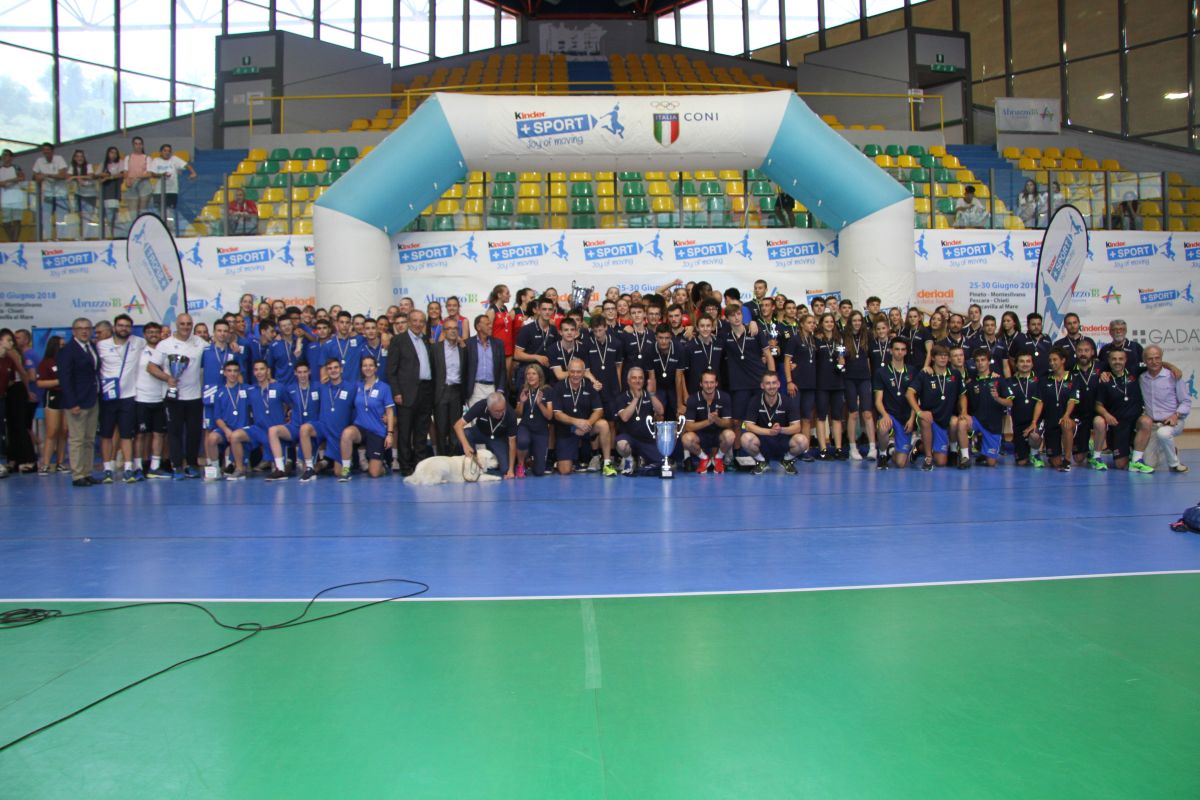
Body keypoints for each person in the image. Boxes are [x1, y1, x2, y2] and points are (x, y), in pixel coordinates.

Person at [147, 313, 207, 479]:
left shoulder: (199, 342)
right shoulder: (165, 345)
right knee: (174, 433)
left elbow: (215, 350)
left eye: (189, 324)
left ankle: (192, 464)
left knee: (194, 433)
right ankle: (177, 466)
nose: (186, 327)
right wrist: (168, 378)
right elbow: (151, 367)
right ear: (176, 325)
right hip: (174, 397)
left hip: (195, 396)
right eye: (182, 324)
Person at [97, 314, 146, 483]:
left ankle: (127, 468)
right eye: (120, 325)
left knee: (127, 435)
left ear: (131, 328)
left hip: (128, 396)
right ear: (114, 327)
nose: (123, 328)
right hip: (108, 396)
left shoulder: (138, 342)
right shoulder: (102, 345)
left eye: (127, 326)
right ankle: (107, 469)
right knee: (106, 434)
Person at [386, 308, 433, 476]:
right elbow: (391, 370)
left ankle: (420, 465)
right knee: (405, 431)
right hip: (406, 392)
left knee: (421, 430)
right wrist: (396, 392)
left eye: (421, 321)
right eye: (415, 320)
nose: (418, 324)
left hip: (426, 391)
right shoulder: (398, 340)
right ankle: (405, 466)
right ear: (408, 321)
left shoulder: (427, 340)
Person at [906, 344, 966, 471]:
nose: (943, 358)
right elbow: (909, 393)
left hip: (944, 420)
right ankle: (928, 458)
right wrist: (919, 412)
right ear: (933, 358)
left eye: (945, 356)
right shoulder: (925, 374)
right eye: (940, 356)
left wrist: (964, 411)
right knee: (925, 418)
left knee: (941, 462)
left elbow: (962, 395)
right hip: (929, 417)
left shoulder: (954, 374)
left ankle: (920, 446)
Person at [56, 318, 101, 486]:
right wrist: (72, 402)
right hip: (77, 401)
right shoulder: (67, 351)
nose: (84, 331)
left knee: (89, 439)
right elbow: (65, 379)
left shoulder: (92, 348)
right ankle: (77, 475)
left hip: (92, 398)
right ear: (73, 331)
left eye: (87, 328)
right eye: (80, 328)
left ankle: (87, 472)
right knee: (77, 439)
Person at [551, 357, 614, 476]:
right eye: (572, 371)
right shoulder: (559, 387)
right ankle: (569, 459)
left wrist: (588, 423)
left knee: (603, 424)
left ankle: (607, 463)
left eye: (579, 372)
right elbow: (557, 415)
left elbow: (599, 410)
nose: (575, 375)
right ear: (568, 371)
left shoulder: (590, 386)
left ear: (584, 372)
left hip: (586, 428)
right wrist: (576, 422)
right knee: (565, 471)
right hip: (567, 430)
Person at [1094, 349, 1155, 473]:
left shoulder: (1134, 371)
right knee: (1120, 465)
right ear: (1109, 361)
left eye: (1120, 359)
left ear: (1125, 360)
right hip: (1118, 424)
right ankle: (1127, 452)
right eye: (1114, 359)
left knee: (1146, 421)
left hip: (1135, 421)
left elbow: (1155, 363)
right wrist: (1107, 415)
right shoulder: (1105, 380)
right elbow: (1098, 405)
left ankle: (1137, 461)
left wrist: (1173, 368)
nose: (1117, 362)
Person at [739, 372, 809, 474]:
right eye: (768, 383)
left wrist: (781, 430)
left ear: (779, 384)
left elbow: (797, 427)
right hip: (762, 442)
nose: (771, 386)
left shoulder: (788, 401)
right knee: (745, 438)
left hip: (782, 441)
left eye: (774, 383)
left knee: (803, 441)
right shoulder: (755, 401)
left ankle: (786, 460)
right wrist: (769, 432)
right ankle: (761, 461)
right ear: (762, 385)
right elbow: (749, 426)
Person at [338, 355, 394, 480]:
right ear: (361, 368)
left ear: (375, 368)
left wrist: (390, 434)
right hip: (360, 428)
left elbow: (389, 412)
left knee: (374, 473)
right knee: (347, 433)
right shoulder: (357, 386)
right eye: (365, 365)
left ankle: (382, 464)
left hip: (377, 430)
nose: (367, 368)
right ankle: (346, 469)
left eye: (370, 365)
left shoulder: (384, 387)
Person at [1139, 345, 1190, 473]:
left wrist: (1176, 415)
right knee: (1150, 463)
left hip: (1173, 421)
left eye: (1157, 358)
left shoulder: (1173, 376)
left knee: (1164, 434)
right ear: (1144, 361)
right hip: (1153, 425)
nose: (1154, 362)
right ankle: (1172, 449)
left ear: (1162, 359)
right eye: (1150, 359)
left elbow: (1185, 402)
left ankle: (1175, 464)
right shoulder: (1142, 378)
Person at [722, 301, 772, 430]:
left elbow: (768, 355)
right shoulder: (724, 336)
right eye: (732, 315)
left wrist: (772, 378)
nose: (736, 317)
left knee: (763, 418)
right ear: (727, 319)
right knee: (737, 420)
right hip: (739, 385)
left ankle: (763, 448)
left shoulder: (755, 331)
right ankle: (738, 450)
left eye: (738, 314)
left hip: (758, 381)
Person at [1030, 348, 1078, 472]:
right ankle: (1054, 454)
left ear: (1063, 360)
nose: (1052, 363)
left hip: (1067, 419)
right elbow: (1040, 402)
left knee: (1066, 424)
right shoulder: (1045, 379)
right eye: (1050, 360)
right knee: (1055, 463)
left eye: (1055, 359)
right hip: (1050, 422)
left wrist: (1067, 415)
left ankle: (1067, 460)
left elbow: (1072, 400)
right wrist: (1034, 421)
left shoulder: (1073, 378)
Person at [611, 366, 665, 475]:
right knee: (621, 444)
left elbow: (660, 411)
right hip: (629, 438)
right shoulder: (622, 398)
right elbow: (624, 417)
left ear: (644, 380)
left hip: (647, 440)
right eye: (634, 378)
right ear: (628, 380)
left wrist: (652, 394)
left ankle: (642, 461)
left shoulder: (649, 395)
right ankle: (629, 459)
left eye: (640, 378)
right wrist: (636, 398)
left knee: (663, 463)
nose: (637, 381)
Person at [680, 368, 735, 472]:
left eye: (712, 382)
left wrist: (717, 420)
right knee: (686, 439)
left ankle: (718, 458)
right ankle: (704, 459)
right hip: (700, 436)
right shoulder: (692, 399)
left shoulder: (724, 397)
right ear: (701, 384)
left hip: (718, 435)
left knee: (730, 435)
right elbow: (688, 426)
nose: (709, 386)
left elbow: (728, 423)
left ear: (716, 383)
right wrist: (708, 421)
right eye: (706, 382)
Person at [134, 322, 169, 479]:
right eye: (150, 332)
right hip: (141, 398)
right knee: (141, 435)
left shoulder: (165, 351)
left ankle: (155, 466)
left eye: (156, 331)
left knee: (159, 433)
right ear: (144, 334)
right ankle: (137, 466)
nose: (153, 334)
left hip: (160, 398)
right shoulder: (138, 351)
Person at [454, 391, 517, 479]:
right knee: (466, 434)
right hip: (479, 432)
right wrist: (465, 445)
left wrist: (511, 470)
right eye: (497, 411)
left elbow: (512, 443)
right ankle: (472, 462)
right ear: (489, 407)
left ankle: (502, 464)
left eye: (502, 410)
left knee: (505, 470)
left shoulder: (511, 414)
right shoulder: (481, 405)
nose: (500, 413)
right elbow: (458, 425)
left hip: (498, 438)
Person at [873, 337, 914, 470]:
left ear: (906, 352)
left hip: (905, 418)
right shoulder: (881, 372)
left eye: (902, 350)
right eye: (896, 349)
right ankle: (883, 454)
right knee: (883, 426)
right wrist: (884, 415)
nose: (899, 352)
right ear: (891, 350)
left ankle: (891, 450)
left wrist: (912, 419)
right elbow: (878, 400)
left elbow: (915, 399)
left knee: (901, 464)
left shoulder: (912, 371)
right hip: (889, 414)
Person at [203, 362, 249, 480]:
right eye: (229, 371)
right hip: (226, 428)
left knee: (235, 436)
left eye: (235, 371)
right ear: (224, 373)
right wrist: (226, 430)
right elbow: (217, 418)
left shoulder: (247, 389)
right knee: (212, 438)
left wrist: (271, 380)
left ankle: (238, 468)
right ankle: (215, 469)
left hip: (242, 429)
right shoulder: (219, 393)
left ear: (239, 373)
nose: (232, 374)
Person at [841, 310, 876, 461]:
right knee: (853, 413)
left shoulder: (867, 336)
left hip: (864, 378)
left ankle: (873, 447)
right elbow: (840, 358)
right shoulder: (843, 336)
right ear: (850, 322)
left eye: (859, 320)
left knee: (867, 413)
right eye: (854, 320)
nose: (857, 323)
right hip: (849, 378)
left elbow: (870, 358)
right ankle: (852, 447)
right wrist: (840, 366)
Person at [1070, 340, 1109, 471]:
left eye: (1086, 350)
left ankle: (1097, 456)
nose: (1083, 354)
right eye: (1080, 350)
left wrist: (1108, 374)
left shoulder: (1103, 367)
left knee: (1099, 422)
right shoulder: (1069, 368)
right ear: (1076, 352)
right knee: (1078, 459)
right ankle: (1089, 446)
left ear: (1092, 352)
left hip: (1096, 411)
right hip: (1078, 414)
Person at [814, 313, 845, 459]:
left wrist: (842, 362)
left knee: (837, 417)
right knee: (821, 416)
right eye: (826, 321)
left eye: (831, 321)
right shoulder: (816, 340)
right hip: (821, 383)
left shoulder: (839, 340)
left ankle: (838, 448)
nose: (829, 324)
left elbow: (843, 362)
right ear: (821, 323)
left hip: (837, 382)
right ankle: (823, 449)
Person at [431, 318, 464, 455]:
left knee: (455, 428)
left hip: (456, 392)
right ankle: (441, 459)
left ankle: (453, 460)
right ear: (444, 332)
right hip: (441, 391)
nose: (452, 331)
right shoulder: (435, 349)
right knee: (441, 428)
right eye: (449, 328)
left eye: (455, 328)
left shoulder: (463, 349)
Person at [34, 335, 67, 474]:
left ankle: (60, 462)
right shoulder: (46, 363)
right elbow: (40, 383)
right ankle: (46, 463)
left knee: (64, 431)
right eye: (61, 345)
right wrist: (58, 382)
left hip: (67, 397)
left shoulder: (66, 360)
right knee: (52, 431)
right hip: (53, 396)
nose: (63, 348)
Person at [149, 143, 196, 234]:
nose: (167, 153)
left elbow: (187, 165)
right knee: (160, 213)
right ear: (161, 152)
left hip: (172, 191)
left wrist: (193, 172)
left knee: (169, 213)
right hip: (159, 191)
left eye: (169, 151)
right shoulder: (156, 161)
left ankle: (171, 232)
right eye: (165, 151)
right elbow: (152, 174)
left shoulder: (174, 160)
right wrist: (161, 175)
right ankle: (161, 232)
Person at [515, 364, 553, 477]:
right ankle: (521, 465)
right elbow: (518, 414)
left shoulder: (547, 390)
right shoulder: (523, 390)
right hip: (525, 426)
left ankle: (530, 459)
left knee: (539, 472)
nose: (530, 376)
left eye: (533, 374)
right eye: (528, 374)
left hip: (541, 430)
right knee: (522, 441)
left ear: (539, 376)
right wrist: (521, 402)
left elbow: (549, 416)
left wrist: (540, 403)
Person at [463, 313, 506, 407]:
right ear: (478, 327)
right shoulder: (468, 344)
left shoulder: (498, 344)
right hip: (475, 388)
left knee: (492, 418)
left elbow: (502, 368)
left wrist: (500, 389)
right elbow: (464, 369)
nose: (491, 326)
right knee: (475, 420)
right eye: (487, 324)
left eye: (490, 323)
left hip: (493, 388)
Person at [32, 142, 68, 239]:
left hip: (61, 193)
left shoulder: (59, 159)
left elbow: (63, 175)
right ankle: (47, 238)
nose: (46, 151)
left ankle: (61, 238)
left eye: (48, 149)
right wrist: (39, 177)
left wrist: (46, 175)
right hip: (47, 194)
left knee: (61, 217)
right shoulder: (39, 161)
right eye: (44, 150)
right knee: (46, 217)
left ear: (52, 151)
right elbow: (34, 175)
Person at [66, 149, 98, 237]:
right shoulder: (72, 167)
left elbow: (91, 176)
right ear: (74, 158)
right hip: (79, 194)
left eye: (81, 156)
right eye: (77, 156)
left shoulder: (88, 166)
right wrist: (76, 178)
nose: (79, 158)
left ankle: (84, 236)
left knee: (86, 217)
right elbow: (68, 177)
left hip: (90, 194)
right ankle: (83, 235)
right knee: (80, 216)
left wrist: (76, 177)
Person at [122, 136, 153, 217]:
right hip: (132, 184)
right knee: (133, 213)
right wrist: (127, 179)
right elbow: (125, 171)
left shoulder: (147, 158)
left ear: (142, 145)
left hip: (143, 183)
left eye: (140, 144)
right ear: (133, 145)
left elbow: (149, 173)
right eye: (136, 144)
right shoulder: (128, 158)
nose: (138, 146)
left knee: (143, 211)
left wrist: (138, 177)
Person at [0, 148, 26, 242]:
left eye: (6, 155)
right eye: (3, 155)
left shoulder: (16, 167)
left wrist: (9, 181)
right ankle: (12, 240)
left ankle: (14, 241)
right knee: (6, 222)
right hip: (5, 197)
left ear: (11, 157)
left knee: (17, 220)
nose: (4, 157)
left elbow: (22, 177)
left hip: (17, 196)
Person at [98, 146, 123, 236]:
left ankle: (112, 234)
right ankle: (106, 234)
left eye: (115, 153)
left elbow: (121, 174)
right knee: (105, 215)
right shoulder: (103, 164)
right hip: (104, 192)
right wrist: (104, 175)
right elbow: (97, 175)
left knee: (112, 215)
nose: (113, 155)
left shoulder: (120, 163)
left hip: (114, 192)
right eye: (111, 152)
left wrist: (109, 177)